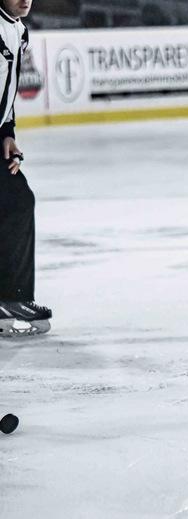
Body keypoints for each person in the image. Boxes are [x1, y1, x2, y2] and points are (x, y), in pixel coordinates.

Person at [0, 0, 51, 337]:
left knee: (17, 202)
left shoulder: (18, 31)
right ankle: (12, 297)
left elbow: (6, 91)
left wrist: (7, 133)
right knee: (17, 202)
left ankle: (11, 297)